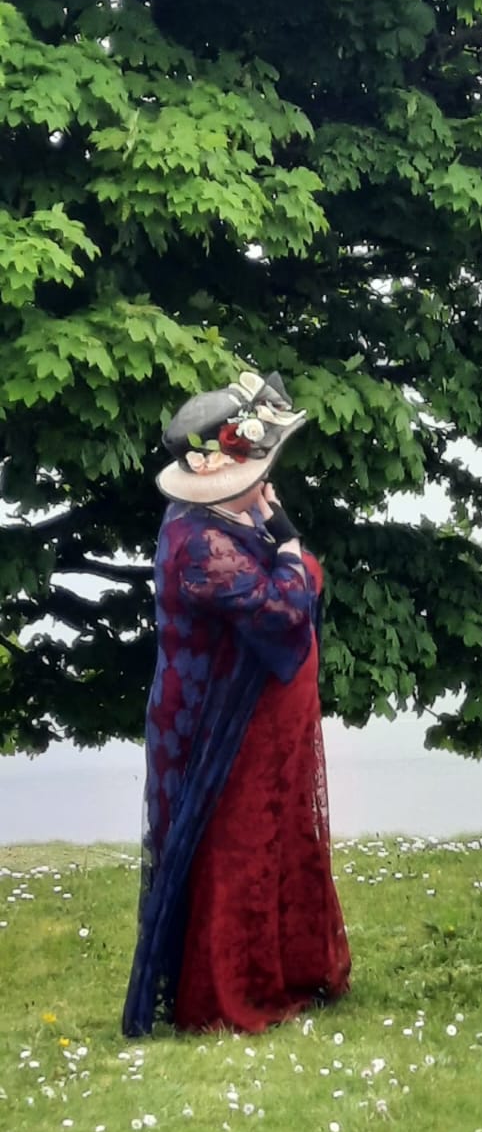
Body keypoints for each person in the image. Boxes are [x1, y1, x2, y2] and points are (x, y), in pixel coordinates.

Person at [123, 370, 351, 1036]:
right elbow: (284, 608)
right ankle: (229, 993)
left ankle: (292, 966)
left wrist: (278, 535)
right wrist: (289, 543)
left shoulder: (232, 517)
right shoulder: (200, 542)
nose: (269, 478)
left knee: (278, 838)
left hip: (260, 720)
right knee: (235, 846)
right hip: (217, 723)